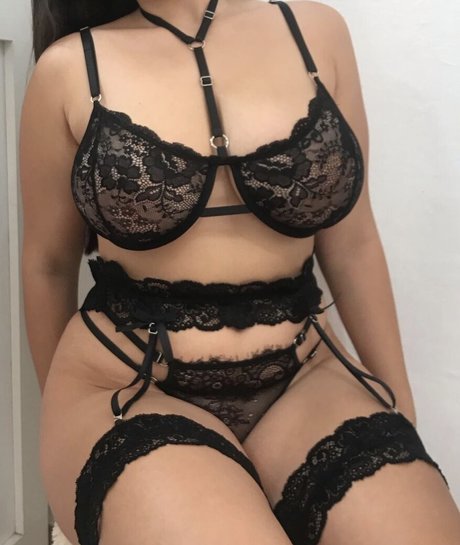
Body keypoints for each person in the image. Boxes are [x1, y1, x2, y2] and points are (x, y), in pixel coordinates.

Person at [21, 0, 460, 544]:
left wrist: (397, 400)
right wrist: (64, 433)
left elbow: (353, 244)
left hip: (303, 373)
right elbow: (48, 264)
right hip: (128, 382)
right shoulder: (68, 68)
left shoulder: (317, 32)